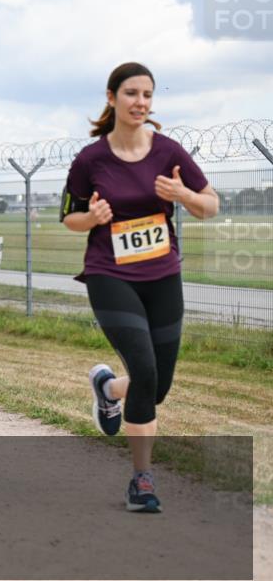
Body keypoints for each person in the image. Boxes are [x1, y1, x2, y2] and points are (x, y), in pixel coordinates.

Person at [61, 62, 219, 513]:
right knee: (146, 373)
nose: (141, 102)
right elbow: (69, 217)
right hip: (110, 275)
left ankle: (109, 390)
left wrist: (182, 196)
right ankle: (141, 480)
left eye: (147, 94)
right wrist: (92, 219)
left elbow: (211, 204)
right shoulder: (90, 160)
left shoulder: (168, 150)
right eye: (131, 93)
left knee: (158, 386)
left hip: (162, 276)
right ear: (111, 98)